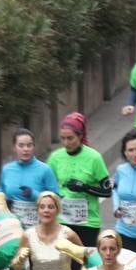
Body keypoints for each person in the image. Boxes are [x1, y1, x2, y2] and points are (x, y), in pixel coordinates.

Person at [0, 129, 62, 270]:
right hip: (16, 235)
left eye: (29, 145)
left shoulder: (44, 170)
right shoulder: (7, 170)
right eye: (21, 145)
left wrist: (34, 195)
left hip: (41, 233)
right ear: (14, 147)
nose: (25, 149)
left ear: (34, 147)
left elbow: (56, 198)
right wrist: (3, 206)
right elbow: (0, 197)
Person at [50, 112, 112, 261]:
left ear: (80, 136)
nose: (66, 143)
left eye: (70, 138)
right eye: (63, 138)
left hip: (88, 223)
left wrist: (84, 187)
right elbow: (48, 188)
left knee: (85, 268)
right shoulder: (55, 157)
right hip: (63, 221)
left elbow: (107, 191)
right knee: (64, 268)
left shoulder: (94, 158)